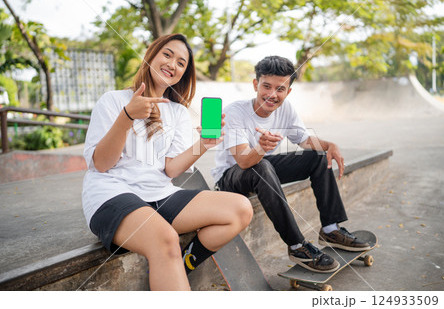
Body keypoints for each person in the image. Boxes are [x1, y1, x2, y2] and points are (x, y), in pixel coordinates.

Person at [82, 33, 253, 291]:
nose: (173, 64)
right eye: (167, 54)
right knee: (166, 240)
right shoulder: (114, 100)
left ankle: (179, 266)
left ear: (183, 74)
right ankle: (169, 262)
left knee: (240, 209)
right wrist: (127, 116)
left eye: (181, 63)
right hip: (113, 193)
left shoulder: (178, 111)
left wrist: (204, 144)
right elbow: (102, 164)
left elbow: (171, 168)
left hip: (159, 193)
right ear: (151, 55)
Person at [212, 55, 369, 273]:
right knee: (262, 166)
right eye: (266, 86)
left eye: (280, 89)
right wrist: (261, 148)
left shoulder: (286, 110)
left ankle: (331, 229)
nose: (272, 95)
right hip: (230, 179)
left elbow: (304, 140)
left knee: (318, 156)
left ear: (288, 91)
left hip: (261, 166)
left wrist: (328, 144)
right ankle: (296, 246)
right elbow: (244, 160)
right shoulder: (235, 112)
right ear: (256, 84)